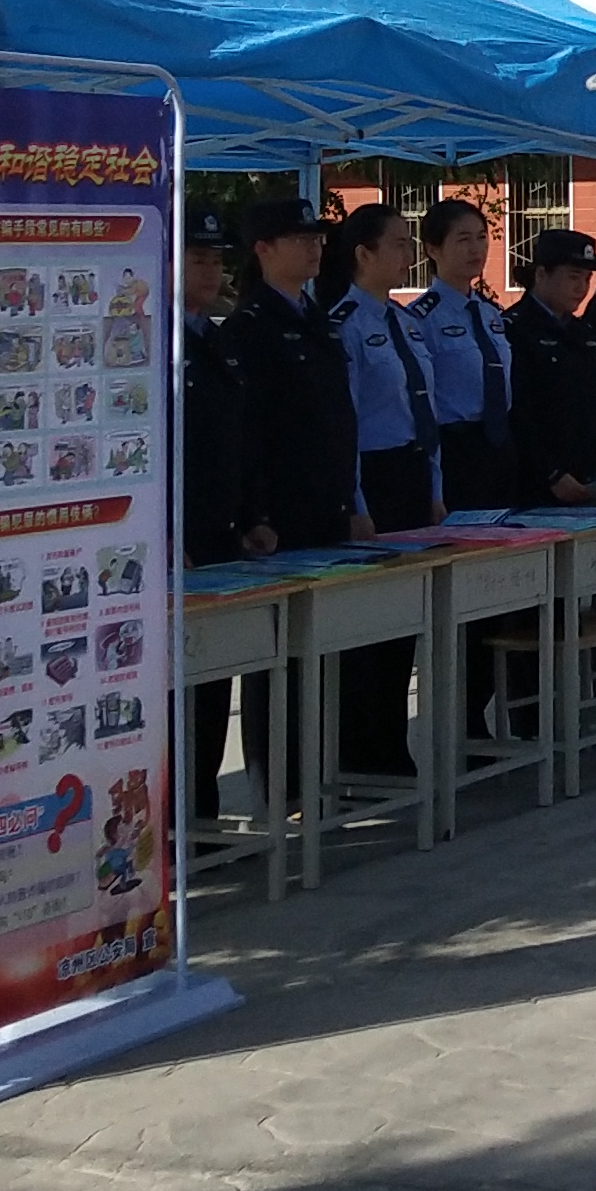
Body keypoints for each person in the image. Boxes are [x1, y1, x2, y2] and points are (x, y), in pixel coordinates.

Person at [218, 193, 357, 810]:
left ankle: (310, 777)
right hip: (283, 514)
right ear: (264, 249)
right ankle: (277, 788)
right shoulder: (251, 327)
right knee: (274, 661)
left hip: (326, 508)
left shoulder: (315, 315)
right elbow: (248, 433)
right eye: (299, 239)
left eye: (316, 238)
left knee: (316, 654)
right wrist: (258, 514)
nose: (313, 248)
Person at [322, 199, 440, 784]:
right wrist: (356, 504)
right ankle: (359, 751)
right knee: (365, 631)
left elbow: (425, 409)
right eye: (396, 243)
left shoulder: (406, 322)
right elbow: (343, 424)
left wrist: (435, 488)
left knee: (403, 624)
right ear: (363, 254)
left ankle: (391, 744)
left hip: (412, 474)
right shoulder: (345, 323)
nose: (407, 254)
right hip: (373, 478)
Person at [176, 205, 254, 826]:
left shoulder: (218, 337)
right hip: (176, 541)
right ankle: (179, 818)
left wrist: (252, 516)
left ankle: (201, 814)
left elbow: (239, 439)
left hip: (223, 535)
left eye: (216, 260)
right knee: (174, 691)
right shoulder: (144, 340)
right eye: (197, 259)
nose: (211, 271)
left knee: (212, 680)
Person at [409, 196, 516, 517]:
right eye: (463, 239)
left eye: (482, 238)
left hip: (499, 444)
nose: (476, 249)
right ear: (433, 249)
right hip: (455, 448)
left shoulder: (490, 314)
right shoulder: (420, 318)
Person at [506, 224, 596, 505]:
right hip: (534, 488)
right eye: (573, 277)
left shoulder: (583, 333)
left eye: (586, 278)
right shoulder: (515, 330)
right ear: (541, 274)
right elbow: (519, 414)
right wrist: (552, 473)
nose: (581, 288)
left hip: (588, 481)